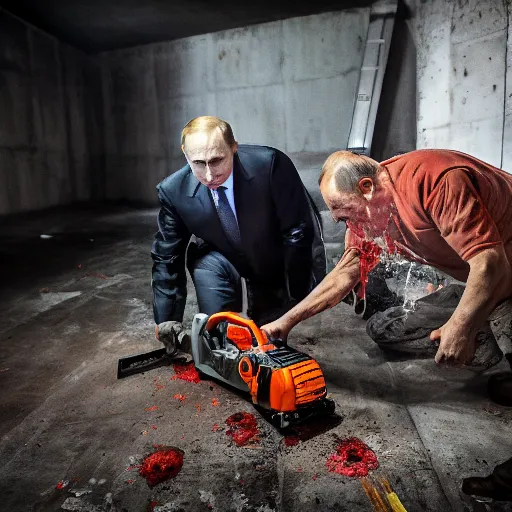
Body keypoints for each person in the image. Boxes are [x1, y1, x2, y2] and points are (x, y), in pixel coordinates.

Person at [261, 148, 512, 500]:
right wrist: (286, 322)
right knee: (391, 328)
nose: (350, 227)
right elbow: (348, 270)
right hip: (492, 275)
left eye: (347, 216)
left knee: (483, 320)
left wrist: (461, 326)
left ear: (367, 187)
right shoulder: (372, 208)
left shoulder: (437, 180)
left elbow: (488, 262)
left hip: (500, 269)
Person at [151, 115, 325, 352]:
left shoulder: (271, 165)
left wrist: (295, 297)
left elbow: (298, 231)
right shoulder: (173, 191)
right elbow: (166, 256)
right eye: (199, 163)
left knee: (268, 340)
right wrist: (167, 317)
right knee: (219, 342)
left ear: (234, 147)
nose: (210, 175)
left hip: (274, 252)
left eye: (217, 160)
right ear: (185, 154)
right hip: (221, 257)